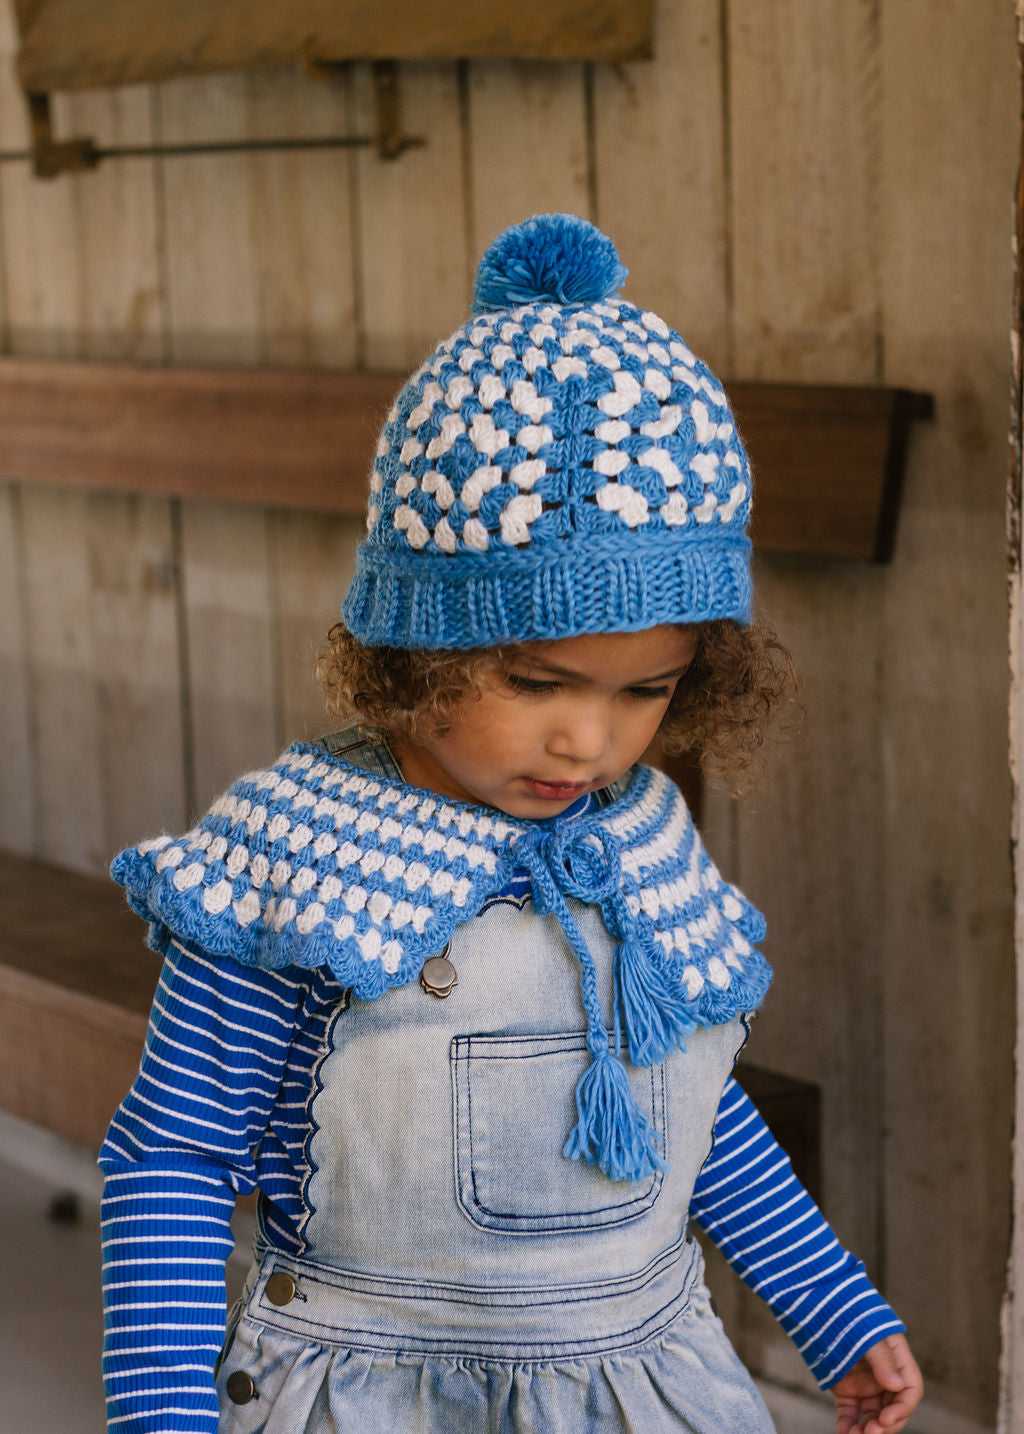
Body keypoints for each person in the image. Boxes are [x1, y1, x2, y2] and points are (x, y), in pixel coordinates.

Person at [100, 213, 923, 1434]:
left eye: (646, 691)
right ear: (418, 647)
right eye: (537, 683)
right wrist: (157, 1417)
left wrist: (835, 1310)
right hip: (377, 1389)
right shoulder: (291, 868)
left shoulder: (640, 836)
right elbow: (171, 1160)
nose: (589, 744)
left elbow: (694, 1109)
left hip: (644, 1383)